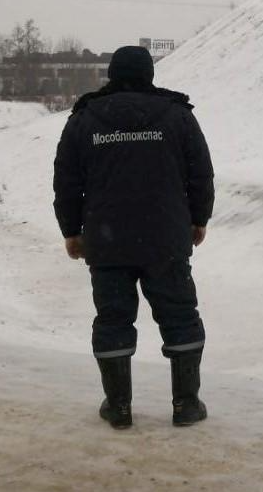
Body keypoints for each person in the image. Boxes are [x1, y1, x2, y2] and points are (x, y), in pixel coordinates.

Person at [52, 45, 215, 429]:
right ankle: (187, 405)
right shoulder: (178, 116)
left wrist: (71, 231)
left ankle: (119, 407)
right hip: (166, 239)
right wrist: (198, 219)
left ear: (111, 73)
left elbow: (67, 182)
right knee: (180, 317)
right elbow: (200, 175)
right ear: (149, 74)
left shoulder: (85, 118)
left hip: (107, 242)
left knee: (113, 320)